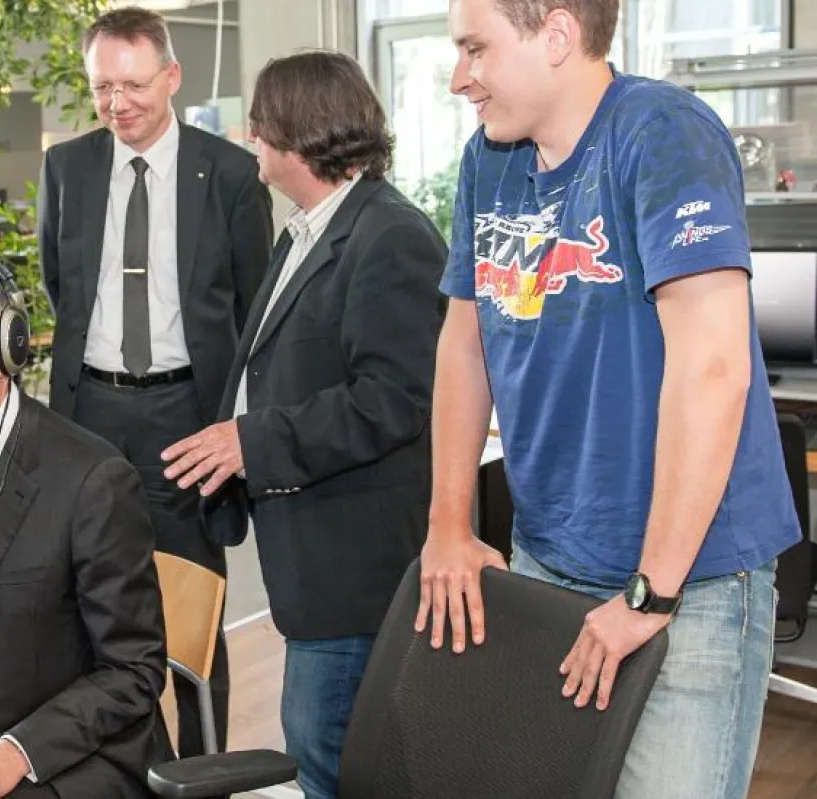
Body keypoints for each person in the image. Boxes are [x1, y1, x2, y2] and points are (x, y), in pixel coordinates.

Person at [416, 2, 802, 797]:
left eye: (475, 49)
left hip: (684, 581)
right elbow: (465, 342)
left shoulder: (663, 134)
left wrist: (649, 593)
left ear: (555, 35)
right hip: (549, 556)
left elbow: (713, 368)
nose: (461, 79)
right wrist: (448, 524)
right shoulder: (489, 162)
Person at [163, 51, 447, 798]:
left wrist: (246, 440)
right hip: (312, 559)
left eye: (261, 124)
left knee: (329, 762)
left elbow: (390, 400)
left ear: (298, 132)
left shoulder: (390, 237)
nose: (249, 136)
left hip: (352, 567)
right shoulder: (306, 230)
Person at [37, 5, 273, 757]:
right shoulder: (66, 167)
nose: (118, 104)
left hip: (187, 414)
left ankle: (205, 767)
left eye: (133, 84)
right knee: (91, 604)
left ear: (171, 76)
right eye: (103, 87)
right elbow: (58, 286)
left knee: (193, 609)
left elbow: (254, 300)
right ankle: (119, 767)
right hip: (89, 411)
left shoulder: (230, 172)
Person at [0, 256, 169, 798]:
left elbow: (134, 672)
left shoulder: (93, 480)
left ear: (6, 349)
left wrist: (15, 754)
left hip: (74, 755)